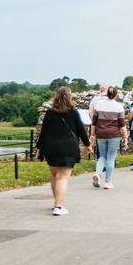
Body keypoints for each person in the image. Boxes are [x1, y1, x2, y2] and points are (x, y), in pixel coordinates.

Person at [36, 87, 92, 215]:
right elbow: (81, 130)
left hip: (51, 148)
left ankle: (56, 202)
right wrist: (88, 145)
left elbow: (43, 133)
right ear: (69, 97)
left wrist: (38, 149)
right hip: (68, 147)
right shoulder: (73, 112)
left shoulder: (50, 113)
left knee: (55, 176)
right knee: (62, 178)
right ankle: (58, 206)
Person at [90, 86, 128, 190]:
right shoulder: (119, 106)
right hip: (113, 134)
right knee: (111, 157)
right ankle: (107, 182)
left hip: (101, 134)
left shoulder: (99, 105)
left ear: (107, 94)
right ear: (116, 95)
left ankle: (97, 174)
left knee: (102, 156)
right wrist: (125, 136)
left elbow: (94, 122)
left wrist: (92, 135)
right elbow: (122, 124)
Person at [88, 83, 110, 163]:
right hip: (110, 123)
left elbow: (91, 112)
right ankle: (111, 161)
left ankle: (100, 160)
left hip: (99, 123)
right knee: (110, 142)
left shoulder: (94, 99)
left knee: (100, 143)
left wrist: (94, 122)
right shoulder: (110, 98)